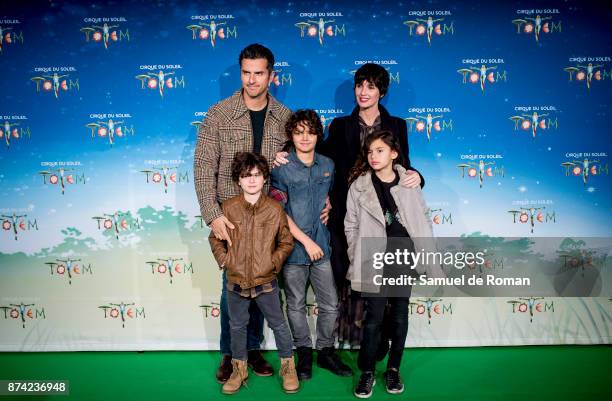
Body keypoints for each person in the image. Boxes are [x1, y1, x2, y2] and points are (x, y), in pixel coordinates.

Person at [194, 43, 292, 382]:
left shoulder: (284, 118)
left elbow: (296, 166)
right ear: (241, 73)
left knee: (264, 284)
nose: (252, 80)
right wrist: (212, 214)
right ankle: (230, 354)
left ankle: (251, 350)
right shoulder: (219, 114)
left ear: (271, 75)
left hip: (267, 216)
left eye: (259, 73)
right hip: (231, 215)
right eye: (246, 73)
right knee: (232, 289)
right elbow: (204, 167)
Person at [319, 63, 424, 347]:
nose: (363, 92)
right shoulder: (340, 126)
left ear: (382, 91)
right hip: (348, 214)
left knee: (385, 283)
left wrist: (418, 176)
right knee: (351, 273)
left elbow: (405, 166)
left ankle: (380, 342)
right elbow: (319, 158)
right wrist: (285, 155)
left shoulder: (397, 125)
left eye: (371, 86)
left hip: (386, 217)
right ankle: (352, 340)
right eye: (359, 85)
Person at [344, 131, 433, 398]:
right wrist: (356, 253)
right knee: (373, 318)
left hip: (404, 256)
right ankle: (368, 372)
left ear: (394, 153)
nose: (373, 156)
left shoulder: (409, 182)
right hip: (373, 256)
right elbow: (351, 225)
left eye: (380, 150)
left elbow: (423, 219)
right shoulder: (358, 186)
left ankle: (393, 368)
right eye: (370, 152)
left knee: (399, 315)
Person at [270, 109, 352, 381]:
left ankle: (326, 350)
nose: (305, 138)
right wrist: (304, 241)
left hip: (322, 247)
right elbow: (279, 212)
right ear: (291, 135)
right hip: (294, 249)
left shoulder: (328, 165)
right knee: (295, 304)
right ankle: (303, 351)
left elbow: (329, 197)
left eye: (310, 132)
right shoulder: (280, 167)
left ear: (319, 134)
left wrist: (328, 204)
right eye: (298, 132)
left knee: (330, 304)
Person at [209, 152, 298, 394]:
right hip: (236, 280)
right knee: (237, 326)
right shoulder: (228, 208)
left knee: (279, 324)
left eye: (256, 175)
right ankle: (239, 369)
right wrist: (226, 260)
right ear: (238, 180)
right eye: (246, 176)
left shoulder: (274, 209)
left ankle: (288, 367)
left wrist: (273, 263)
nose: (251, 180)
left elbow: (286, 241)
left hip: (266, 280)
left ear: (264, 178)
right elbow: (215, 239)